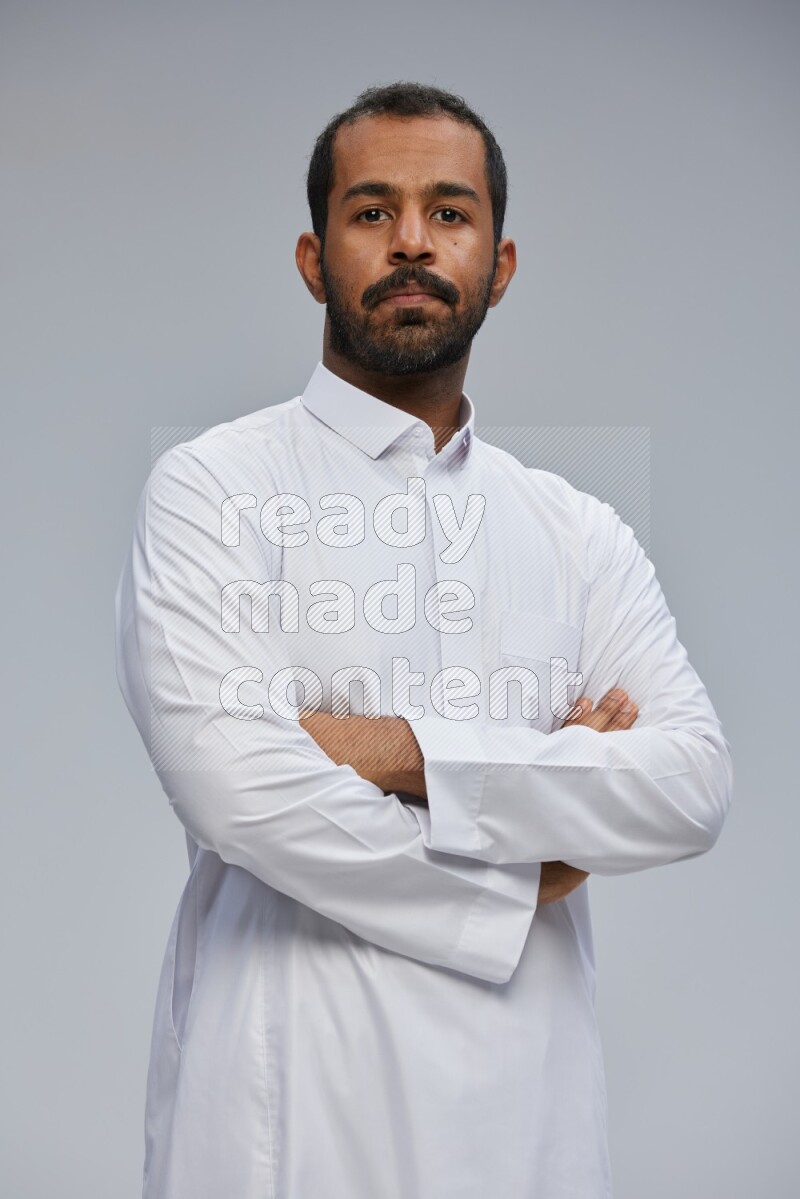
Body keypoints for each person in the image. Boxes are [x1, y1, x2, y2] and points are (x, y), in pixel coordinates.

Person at [115, 81, 733, 1199]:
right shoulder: (212, 488)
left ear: (499, 265)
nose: (411, 241)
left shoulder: (576, 530)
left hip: (529, 1118)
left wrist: (377, 749)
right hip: (283, 1109)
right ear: (313, 260)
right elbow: (235, 786)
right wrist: (532, 848)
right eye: (372, 211)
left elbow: (688, 783)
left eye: (449, 212)